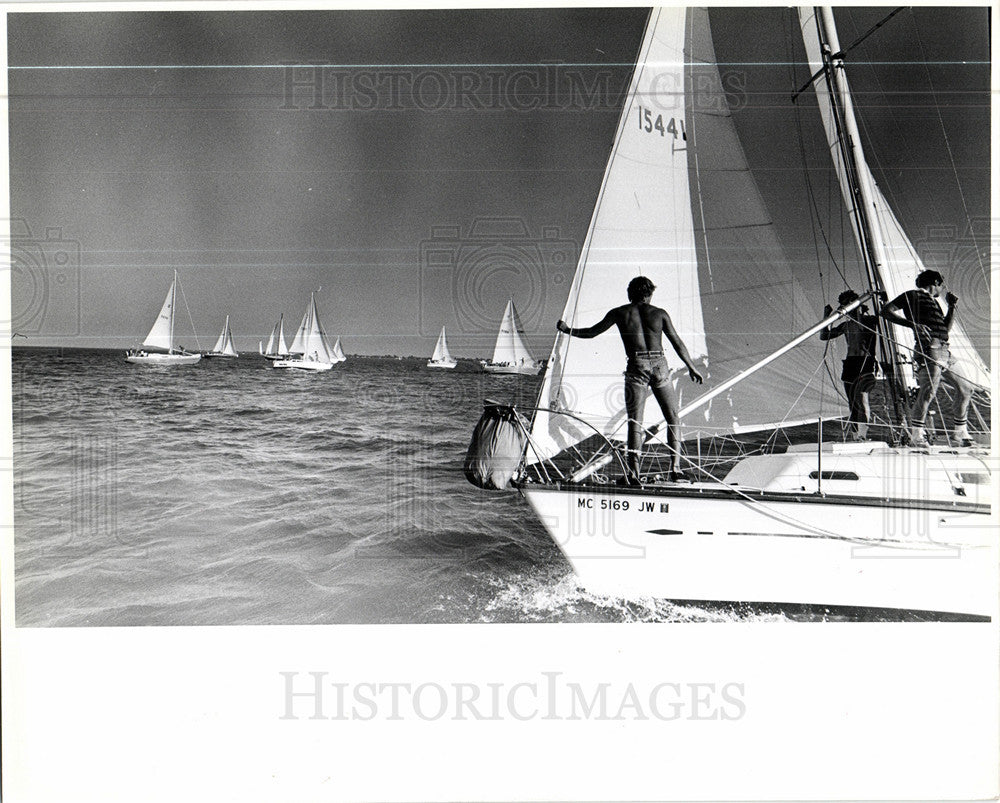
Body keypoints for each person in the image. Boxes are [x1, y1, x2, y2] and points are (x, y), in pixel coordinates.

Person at [557, 275, 703, 484]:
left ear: (630, 293)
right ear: (650, 294)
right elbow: (677, 342)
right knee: (673, 417)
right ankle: (676, 468)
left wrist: (567, 330)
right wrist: (692, 367)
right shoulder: (660, 314)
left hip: (637, 365)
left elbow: (591, 333)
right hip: (660, 365)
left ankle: (634, 473)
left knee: (635, 422)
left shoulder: (620, 313)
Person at [881, 269, 974, 447]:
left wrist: (952, 307)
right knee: (929, 391)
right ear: (936, 283)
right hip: (929, 348)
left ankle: (959, 433)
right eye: (942, 285)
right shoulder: (912, 295)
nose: (943, 289)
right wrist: (912, 325)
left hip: (945, 350)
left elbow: (945, 330)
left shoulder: (934, 302)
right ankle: (917, 435)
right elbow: (886, 311)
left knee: (966, 389)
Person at [820, 289, 879, 440]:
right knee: (852, 403)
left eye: (846, 304)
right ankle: (855, 436)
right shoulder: (846, 325)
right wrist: (827, 317)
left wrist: (856, 305)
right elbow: (824, 336)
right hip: (850, 364)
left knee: (861, 398)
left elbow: (861, 322)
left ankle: (863, 435)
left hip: (865, 363)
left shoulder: (869, 321)